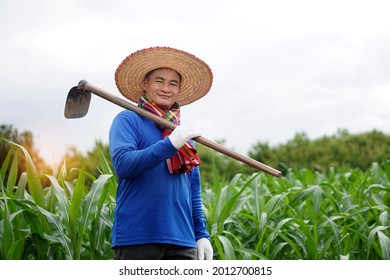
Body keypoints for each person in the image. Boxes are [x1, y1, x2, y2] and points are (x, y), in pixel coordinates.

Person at [109, 46, 213, 260]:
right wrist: (170, 144)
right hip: (138, 238)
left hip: (183, 242)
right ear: (145, 84)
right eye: (159, 81)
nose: (166, 88)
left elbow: (192, 190)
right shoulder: (128, 120)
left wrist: (201, 234)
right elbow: (124, 165)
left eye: (173, 83)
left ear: (179, 89)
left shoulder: (183, 135)